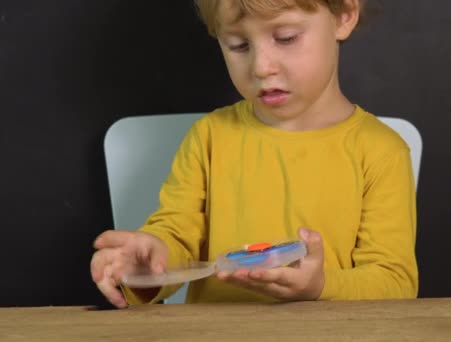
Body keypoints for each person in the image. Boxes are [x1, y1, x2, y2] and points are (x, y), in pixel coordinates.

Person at [91, 0, 418, 308]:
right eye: (238, 45)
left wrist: (319, 287)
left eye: (286, 38)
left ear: (344, 15)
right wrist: (148, 263)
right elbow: (178, 237)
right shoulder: (209, 138)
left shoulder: (380, 151)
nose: (261, 67)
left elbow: (394, 283)